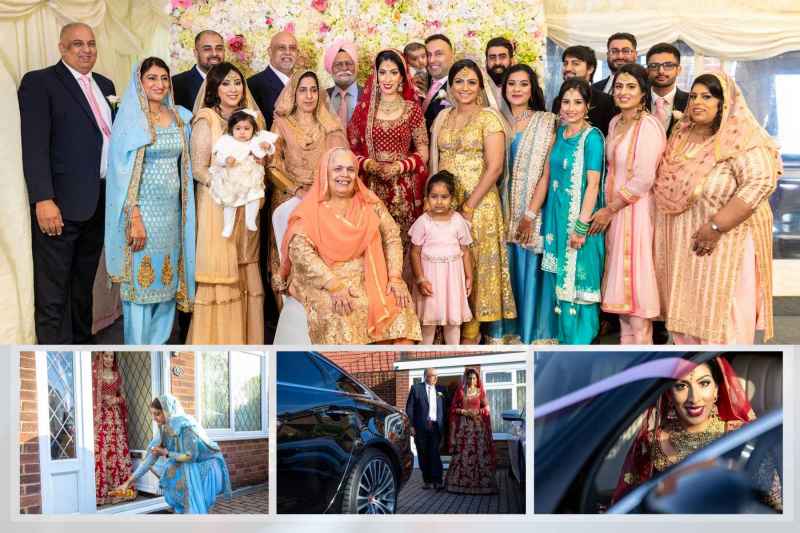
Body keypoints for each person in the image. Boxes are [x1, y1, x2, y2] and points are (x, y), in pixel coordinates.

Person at [653, 71, 781, 344]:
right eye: (694, 96)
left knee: (723, 320)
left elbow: (760, 182)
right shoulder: (682, 134)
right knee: (686, 320)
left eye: (707, 97)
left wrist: (716, 226)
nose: (697, 102)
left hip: (726, 244)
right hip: (684, 246)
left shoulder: (743, 137)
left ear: (724, 103)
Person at [19, 22, 115, 344]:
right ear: (62, 47)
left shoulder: (105, 84)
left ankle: (83, 346)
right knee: (54, 290)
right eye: (77, 44)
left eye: (91, 43)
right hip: (59, 205)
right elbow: (34, 146)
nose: (86, 50)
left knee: (83, 285)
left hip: (98, 202)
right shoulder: (40, 82)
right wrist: (43, 199)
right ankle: (53, 352)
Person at [276, 148, 422, 344]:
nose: (344, 175)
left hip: (369, 274)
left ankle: (391, 358)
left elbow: (392, 237)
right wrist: (334, 285)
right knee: (343, 311)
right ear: (325, 173)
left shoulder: (369, 203)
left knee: (400, 305)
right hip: (325, 277)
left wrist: (395, 277)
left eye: (350, 169)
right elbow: (301, 253)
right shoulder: (311, 209)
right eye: (337, 169)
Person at [612, 357, 782, 511]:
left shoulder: (741, 437)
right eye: (681, 386)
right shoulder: (651, 441)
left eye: (704, 383)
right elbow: (632, 505)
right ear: (669, 394)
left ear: (716, 390)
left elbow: (771, 504)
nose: (694, 398)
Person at [105, 58, 196, 345]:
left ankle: (157, 348)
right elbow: (121, 174)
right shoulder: (131, 121)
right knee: (140, 292)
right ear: (140, 83)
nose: (159, 84)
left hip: (172, 217)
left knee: (167, 288)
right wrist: (134, 217)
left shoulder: (180, 117)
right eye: (152, 78)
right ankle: (138, 350)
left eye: (164, 78)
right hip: (142, 216)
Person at [429, 59, 517, 344]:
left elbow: (495, 167)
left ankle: (471, 335)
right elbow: (435, 162)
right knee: (448, 263)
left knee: (474, 268)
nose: (464, 87)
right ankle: (449, 329)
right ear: (450, 86)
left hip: (479, 206)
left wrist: (468, 207)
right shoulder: (443, 117)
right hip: (445, 206)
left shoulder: (489, 119)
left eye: (471, 82)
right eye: (458, 81)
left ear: (480, 86)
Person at [188, 62, 265, 344]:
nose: (233, 88)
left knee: (246, 267)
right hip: (217, 204)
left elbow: (259, 157)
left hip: (247, 203)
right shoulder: (206, 120)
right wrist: (225, 185)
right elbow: (198, 168)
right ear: (214, 89)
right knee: (222, 273)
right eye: (226, 83)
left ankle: (247, 341)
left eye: (237, 82)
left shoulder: (250, 119)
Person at [589, 63, 665, 345]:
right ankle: (626, 346)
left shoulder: (649, 126)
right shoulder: (615, 122)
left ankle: (643, 348)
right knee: (622, 297)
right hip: (615, 212)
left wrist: (610, 209)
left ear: (644, 93)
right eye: (619, 86)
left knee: (636, 288)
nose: (623, 92)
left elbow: (644, 179)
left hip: (636, 212)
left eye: (631, 86)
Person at [347, 48, 429, 264]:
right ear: (375, 75)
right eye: (382, 72)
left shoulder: (412, 109)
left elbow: (423, 150)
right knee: (374, 245)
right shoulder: (363, 110)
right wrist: (369, 164)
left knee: (402, 247)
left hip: (402, 190)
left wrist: (399, 167)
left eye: (393, 72)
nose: (387, 79)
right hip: (370, 188)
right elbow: (351, 150)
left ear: (402, 76)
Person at [541, 78, 605, 344]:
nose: (570, 108)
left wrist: (581, 226)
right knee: (561, 286)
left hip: (580, 221)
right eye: (566, 102)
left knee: (579, 286)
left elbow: (593, 185)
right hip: (557, 219)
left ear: (588, 106)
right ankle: (565, 343)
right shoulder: (560, 134)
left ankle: (582, 344)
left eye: (578, 102)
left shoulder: (592, 138)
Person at [269, 70, 349, 282]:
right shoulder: (281, 124)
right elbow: (272, 166)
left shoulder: (328, 124)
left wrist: (321, 191)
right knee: (290, 259)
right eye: (303, 90)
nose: (309, 96)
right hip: (288, 196)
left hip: (321, 197)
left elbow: (340, 163)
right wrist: (296, 191)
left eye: (314, 90)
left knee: (319, 260)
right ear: (293, 94)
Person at [501, 64, 559, 343]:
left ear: (532, 88)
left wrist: (530, 213)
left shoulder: (546, 122)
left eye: (523, 84)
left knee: (529, 268)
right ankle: (507, 333)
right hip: (501, 211)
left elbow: (546, 172)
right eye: (512, 83)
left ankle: (533, 335)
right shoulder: (496, 120)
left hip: (533, 210)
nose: (517, 89)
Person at [115, 394, 232, 514]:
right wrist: (128, 483)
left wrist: (166, 453)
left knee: (197, 504)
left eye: (157, 414)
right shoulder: (164, 430)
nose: (154, 418)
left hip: (207, 466)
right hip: (190, 466)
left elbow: (191, 456)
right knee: (178, 484)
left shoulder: (186, 426)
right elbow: (149, 460)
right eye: (152, 414)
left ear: (168, 412)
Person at [409, 171, 474, 345]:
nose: (439, 201)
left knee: (453, 324)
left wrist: (469, 276)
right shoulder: (423, 222)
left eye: (444, 197)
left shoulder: (458, 221)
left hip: (452, 279)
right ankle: (424, 356)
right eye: (434, 197)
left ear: (452, 198)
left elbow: (465, 251)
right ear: (427, 198)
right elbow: (414, 253)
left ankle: (454, 354)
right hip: (430, 280)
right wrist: (420, 279)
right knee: (428, 324)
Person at [209, 109, 277, 237]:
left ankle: (250, 220)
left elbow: (269, 148)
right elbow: (218, 155)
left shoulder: (255, 140)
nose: (242, 132)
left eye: (247, 129)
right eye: (238, 128)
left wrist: (267, 146)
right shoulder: (226, 140)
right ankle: (228, 225)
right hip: (232, 177)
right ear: (231, 129)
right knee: (229, 202)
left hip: (250, 176)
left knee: (255, 196)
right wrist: (226, 160)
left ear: (253, 130)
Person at [445, 368, 497, 494]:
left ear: (477, 379)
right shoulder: (461, 392)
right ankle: (459, 484)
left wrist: (477, 411)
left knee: (480, 453)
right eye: (469, 378)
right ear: (466, 379)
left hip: (478, 427)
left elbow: (487, 408)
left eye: (474, 378)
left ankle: (482, 485)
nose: (472, 380)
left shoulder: (480, 392)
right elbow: (453, 409)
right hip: (464, 427)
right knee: (462, 453)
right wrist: (464, 411)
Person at [92, 352, 134, 506]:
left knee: (117, 450)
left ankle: (119, 491)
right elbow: (90, 394)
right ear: (101, 356)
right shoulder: (95, 374)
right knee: (102, 449)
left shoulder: (117, 376)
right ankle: (101, 492)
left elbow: (123, 397)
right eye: (106, 356)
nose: (109, 359)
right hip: (101, 417)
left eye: (111, 357)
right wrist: (101, 400)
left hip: (115, 419)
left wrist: (115, 399)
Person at [551, 45, 616, 136]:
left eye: (575, 64)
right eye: (565, 63)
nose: (568, 68)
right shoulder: (558, 100)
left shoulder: (606, 101)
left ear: (590, 69)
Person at [405, 368, 447, 490]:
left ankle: (437, 480)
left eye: (436, 375)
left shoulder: (441, 390)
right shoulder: (416, 389)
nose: (436, 378)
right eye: (433, 375)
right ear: (426, 376)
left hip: (435, 427)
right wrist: (411, 426)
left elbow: (446, 408)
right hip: (420, 428)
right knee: (423, 453)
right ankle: (427, 480)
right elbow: (409, 408)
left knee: (435, 453)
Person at [247, 31, 298, 130]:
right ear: (270, 52)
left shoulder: (305, 83)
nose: (288, 52)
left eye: (292, 48)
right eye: (281, 48)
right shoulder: (253, 85)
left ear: (298, 53)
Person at [172, 30, 225, 110]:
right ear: (196, 53)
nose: (214, 54)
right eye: (207, 49)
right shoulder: (177, 84)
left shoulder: (235, 83)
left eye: (219, 48)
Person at [646, 42, 689, 136]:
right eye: (654, 66)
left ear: (678, 70)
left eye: (668, 65)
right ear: (647, 70)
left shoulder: (690, 102)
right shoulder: (637, 101)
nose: (661, 71)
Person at [323, 38, 362, 127]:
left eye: (349, 63)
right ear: (331, 69)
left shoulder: (369, 96)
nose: (344, 68)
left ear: (356, 67)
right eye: (338, 64)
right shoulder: (322, 97)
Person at [423, 34, 455, 130]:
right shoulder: (419, 81)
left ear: (452, 56)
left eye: (439, 54)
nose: (432, 60)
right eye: (428, 55)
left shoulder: (459, 87)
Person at [485, 36, 515, 117]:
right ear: (486, 62)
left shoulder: (524, 90)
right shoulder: (478, 90)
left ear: (512, 60)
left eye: (502, 57)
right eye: (492, 57)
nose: (497, 62)